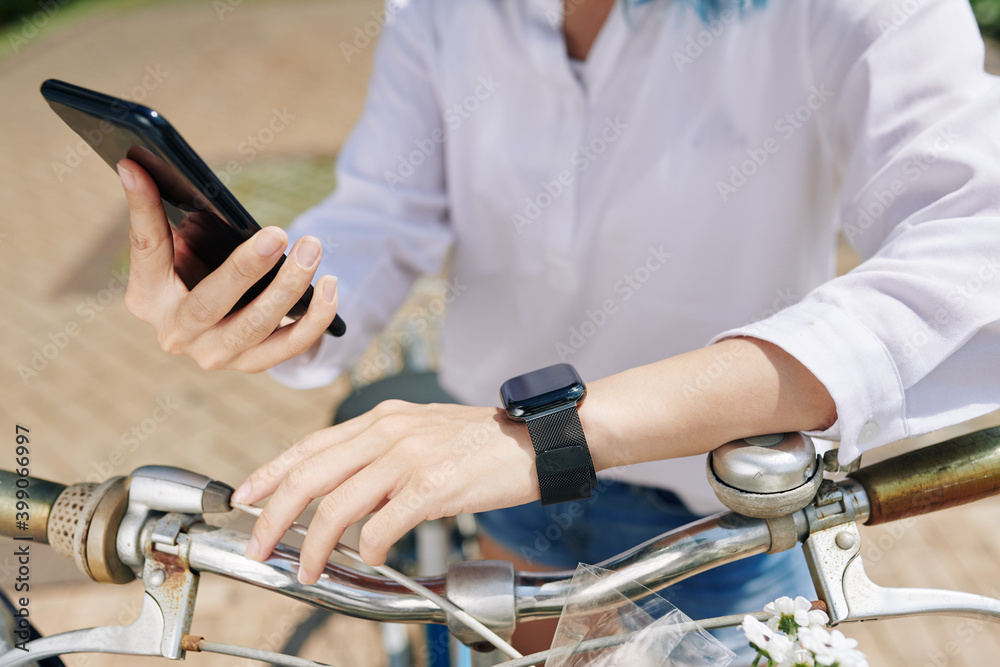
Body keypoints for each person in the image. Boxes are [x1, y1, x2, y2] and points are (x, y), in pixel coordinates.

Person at [116, 0, 1000, 657]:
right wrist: (272, 296)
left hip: (726, 519)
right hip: (508, 512)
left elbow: (974, 247)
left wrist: (558, 434)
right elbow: (386, 210)